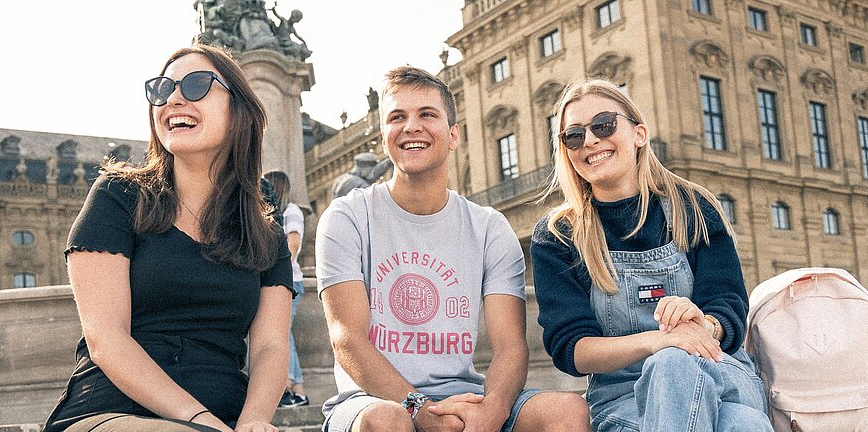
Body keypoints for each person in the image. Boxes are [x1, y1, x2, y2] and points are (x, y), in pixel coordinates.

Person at [315, 66, 590, 432]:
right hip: (372, 400)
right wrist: (421, 410)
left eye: (427, 114)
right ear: (384, 137)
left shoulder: (490, 228)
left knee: (569, 411)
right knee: (388, 420)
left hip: (465, 396)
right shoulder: (347, 216)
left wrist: (492, 409)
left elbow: (510, 348)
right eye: (397, 117)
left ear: (454, 134)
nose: (411, 126)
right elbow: (346, 337)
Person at [43, 43, 294, 432]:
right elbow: (106, 340)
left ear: (239, 111)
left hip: (225, 416)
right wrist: (202, 422)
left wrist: (255, 421)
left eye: (196, 85)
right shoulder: (118, 196)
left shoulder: (261, 216)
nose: (174, 98)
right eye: (162, 89)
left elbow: (271, 347)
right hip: (112, 409)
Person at [531, 78, 772, 431]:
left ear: (639, 133)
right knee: (743, 424)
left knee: (675, 364)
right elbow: (571, 349)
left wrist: (701, 323)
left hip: (720, 374)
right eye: (574, 135)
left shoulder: (694, 208)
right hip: (625, 399)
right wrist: (661, 340)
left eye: (603, 125)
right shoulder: (558, 236)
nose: (591, 140)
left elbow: (729, 306)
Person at [263, 170, 310, 408]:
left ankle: (285, 387)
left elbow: (294, 243)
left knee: (280, 334)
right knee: (285, 335)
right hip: (286, 280)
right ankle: (298, 391)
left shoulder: (291, 211)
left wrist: (276, 272)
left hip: (289, 281)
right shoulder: (282, 212)